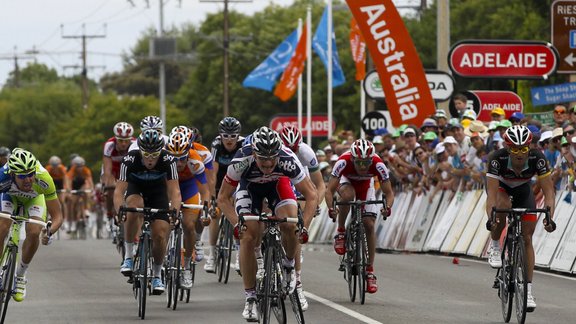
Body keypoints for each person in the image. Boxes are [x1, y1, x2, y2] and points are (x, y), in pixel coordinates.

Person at [216, 126, 317, 322]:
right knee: (248, 235)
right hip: (250, 189)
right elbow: (222, 198)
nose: (269, 163)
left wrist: (304, 227)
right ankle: (251, 298)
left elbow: (312, 195)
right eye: (263, 159)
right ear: (254, 153)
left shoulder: (288, 159)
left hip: (278, 187)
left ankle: (288, 267)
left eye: (273, 158)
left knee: (290, 225)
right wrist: (238, 224)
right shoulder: (241, 160)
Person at [485, 125, 556, 311]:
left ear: (529, 148)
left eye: (523, 149)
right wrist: (492, 218)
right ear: (508, 148)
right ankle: (494, 247)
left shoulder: (538, 159)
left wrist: (549, 217)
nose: (519, 154)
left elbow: (549, 193)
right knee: (502, 207)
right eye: (514, 149)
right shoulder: (496, 159)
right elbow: (491, 196)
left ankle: (528, 290)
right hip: (502, 188)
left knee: (527, 238)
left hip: (524, 189)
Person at [115, 129, 181, 295]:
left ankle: (157, 275)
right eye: (146, 155)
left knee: (159, 235)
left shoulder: (168, 159)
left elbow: (175, 192)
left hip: (158, 192)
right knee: (133, 206)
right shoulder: (129, 159)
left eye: (154, 155)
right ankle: (128, 257)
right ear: (140, 150)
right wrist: (119, 210)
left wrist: (175, 211)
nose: (150, 159)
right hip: (136, 189)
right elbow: (118, 192)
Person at [325, 139, 395, 294]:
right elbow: (329, 191)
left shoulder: (378, 164)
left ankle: (369, 270)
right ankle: (341, 231)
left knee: (369, 224)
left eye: (366, 163)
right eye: (359, 163)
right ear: (352, 159)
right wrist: (332, 209)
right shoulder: (342, 162)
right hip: (346, 182)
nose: (363, 167)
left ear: (371, 159)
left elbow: (389, 193)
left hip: (366, 187)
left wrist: (387, 208)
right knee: (349, 196)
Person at [0, 148, 63, 301]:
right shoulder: (3, 176)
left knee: (34, 231)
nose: (28, 179)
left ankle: (21, 274)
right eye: (22, 175)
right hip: (10, 196)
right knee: (2, 226)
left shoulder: (44, 179)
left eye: (30, 173)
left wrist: (49, 231)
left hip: (34, 199)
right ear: (13, 174)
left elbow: (57, 216)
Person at [280, 125, 326, 311]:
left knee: (296, 230)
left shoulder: (306, 152)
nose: (291, 152)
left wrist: (314, 206)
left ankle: (297, 281)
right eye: (287, 149)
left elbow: (320, 185)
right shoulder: (275, 152)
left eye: (294, 149)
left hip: (299, 181)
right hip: (279, 180)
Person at [166, 127, 210, 288]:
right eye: (174, 159)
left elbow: (204, 191)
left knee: (188, 224)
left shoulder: (195, 160)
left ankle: (186, 269)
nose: (178, 163)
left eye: (182, 159)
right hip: (168, 186)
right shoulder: (162, 159)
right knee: (162, 221)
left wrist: (205, 210)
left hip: (189, 187)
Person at [210, 117, 244, 272]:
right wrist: (212, 197)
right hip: (220, 180)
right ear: (220, 135)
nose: (229, 140)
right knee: (215, 215)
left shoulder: (243, 145)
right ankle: (212, 254)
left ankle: (239, 254)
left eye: (233, 136)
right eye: (226, 136)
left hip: (238, 180)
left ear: (238, 136)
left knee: (238, 211)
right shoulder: (216, 145)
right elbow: (213, 173)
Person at [102, 122, 135, 221]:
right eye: (120, 140)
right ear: (116, 139)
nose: (124, 143)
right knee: (110, 189)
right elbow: (107, 169)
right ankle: (109, 212)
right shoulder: (109, 145)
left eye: (126, 140)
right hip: (113, 170)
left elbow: (136, 167)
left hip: (128, 171)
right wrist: (107, 184)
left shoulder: (135, 145)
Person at [65, 156, 94, 233]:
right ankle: (73, 222)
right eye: (78, 166)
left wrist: (91, 190)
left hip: (82, 185)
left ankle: (86, 209)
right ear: (74, 166)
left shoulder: (86, 170)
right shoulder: (71, 171)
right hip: (74, 186)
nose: (80, 168)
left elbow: (90, 181)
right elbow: (68, 181)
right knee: (72, 203)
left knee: (86, 190)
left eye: (81, 166)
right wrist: (69, 191)